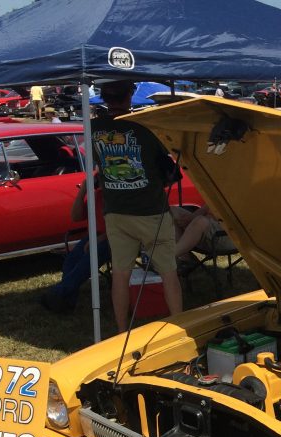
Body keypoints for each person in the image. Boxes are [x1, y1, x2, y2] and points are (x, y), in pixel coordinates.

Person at [91, 80, 182, 331]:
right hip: (151, 210)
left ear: (104, 97)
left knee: (120, 274)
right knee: (169, 272)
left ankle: (122, 329)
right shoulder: (144, 126)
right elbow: (169, 153)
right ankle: (177, 326)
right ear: (130, 94)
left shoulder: (93, 128)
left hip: (116, 211)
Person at [40, 176, 111, 312]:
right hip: (95, 236)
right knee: (70, 261)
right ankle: (66, 302)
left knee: (86, 263)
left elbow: (122, 225)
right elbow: (75, 216)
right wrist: (83, 190)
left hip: (114, 237)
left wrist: (101, 238)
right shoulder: (97, 196)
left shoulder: (118, 198)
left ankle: (57, 293)